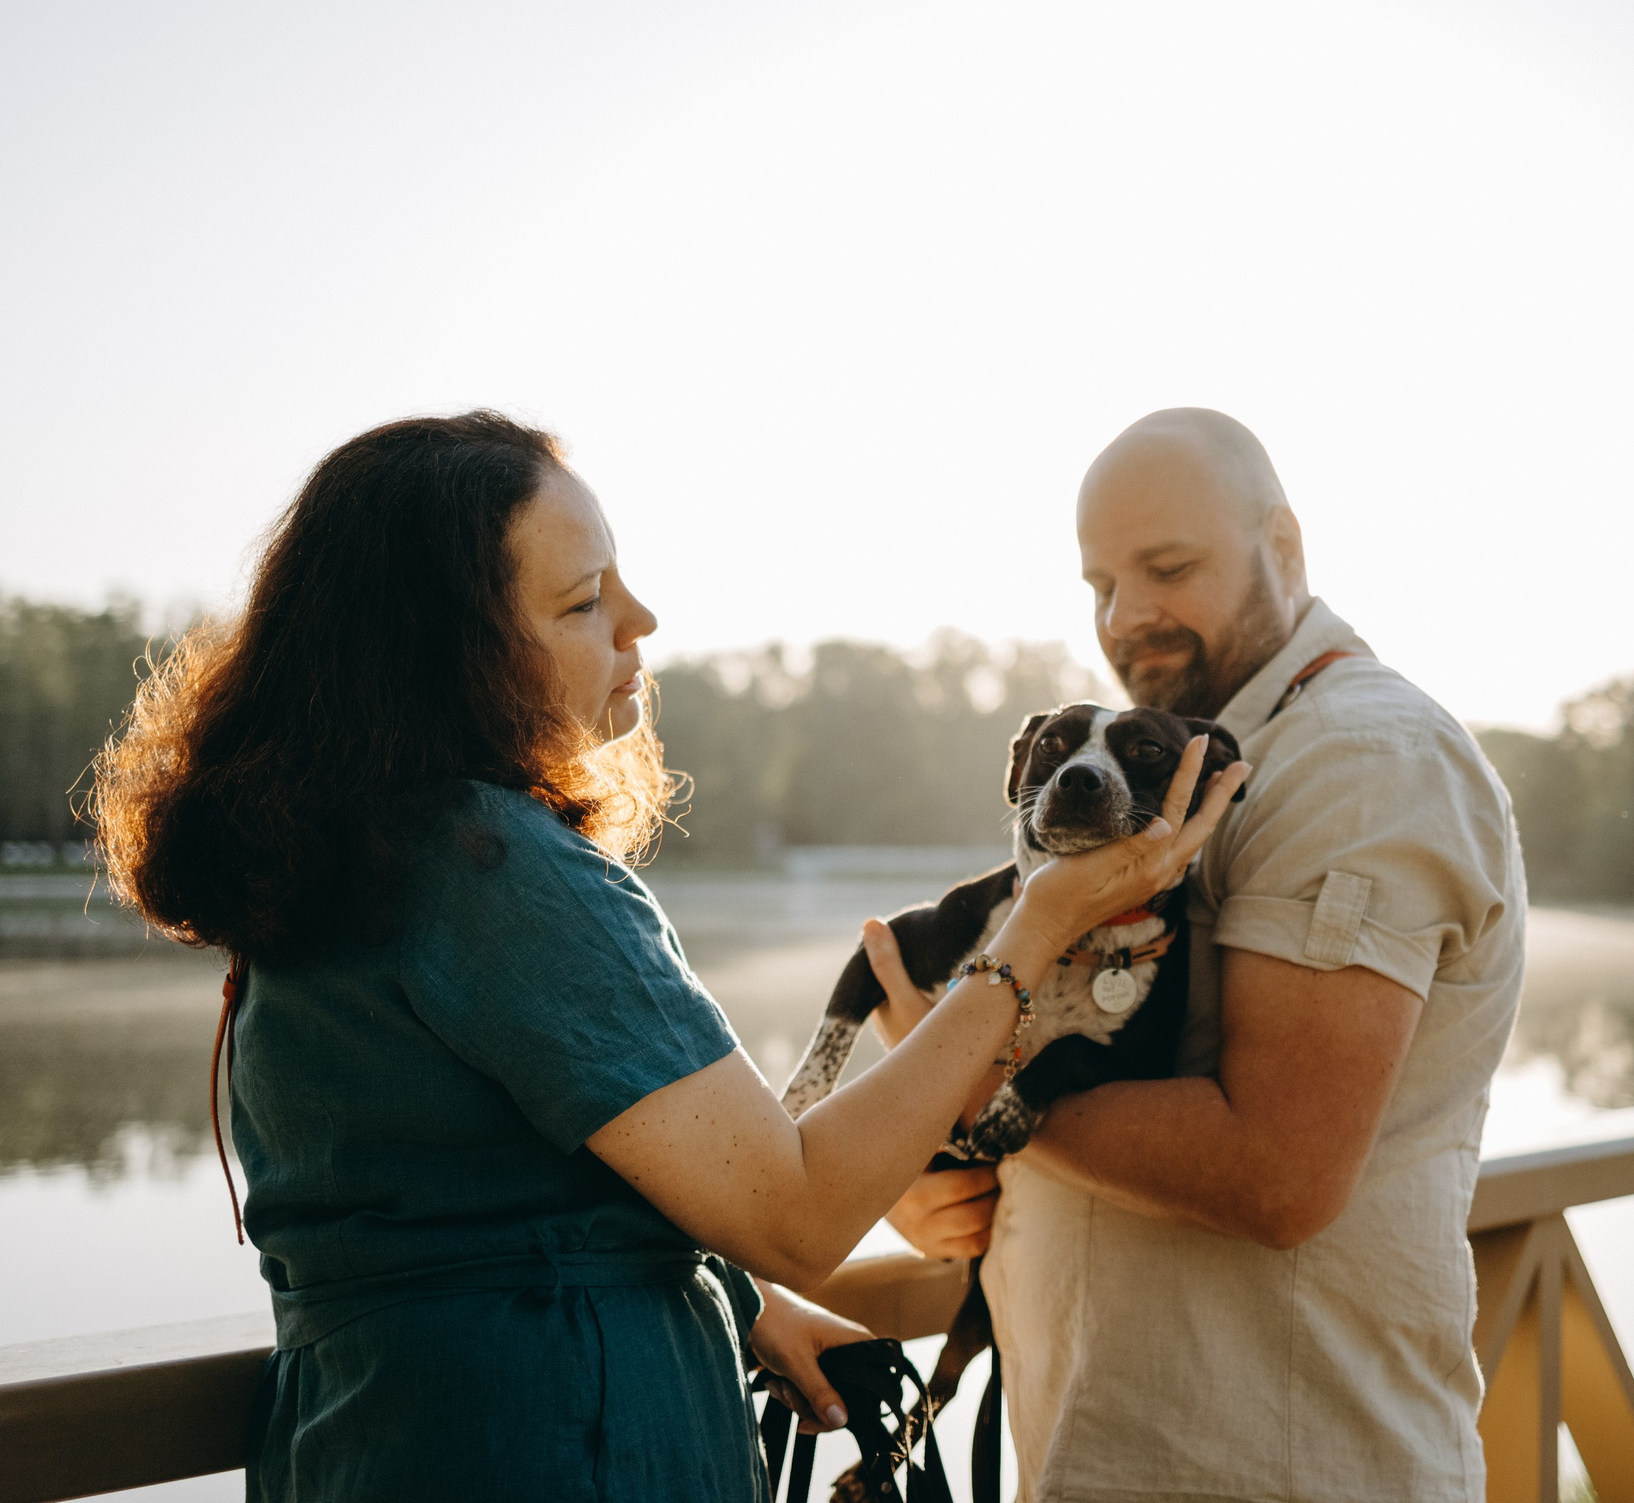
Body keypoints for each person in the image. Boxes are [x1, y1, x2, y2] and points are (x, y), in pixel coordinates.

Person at [87, 411, 1246, 1502]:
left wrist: (741, 1307)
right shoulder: (492, 867)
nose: (640, 620)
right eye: (584, 601)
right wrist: (1039, 927)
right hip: (546, 1453)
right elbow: (798, 1212)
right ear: (453, 658)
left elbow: (474, 1206)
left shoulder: (349, 856)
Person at [869, 407, 1526, 1502]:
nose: (1125, 616)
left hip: (1276, 1468)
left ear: (1284, 546)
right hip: (1104, 1452)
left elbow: (1276, 1169)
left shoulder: (1357, 760)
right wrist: (941, 1175)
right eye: (1099, 585)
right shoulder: (1164, 767)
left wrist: (956, 1087)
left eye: (1168, 568)